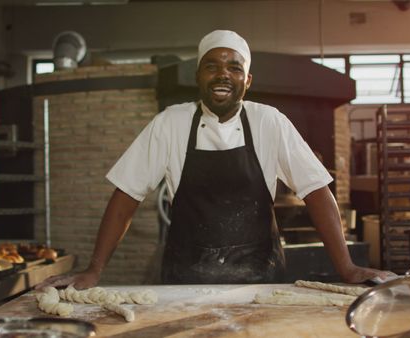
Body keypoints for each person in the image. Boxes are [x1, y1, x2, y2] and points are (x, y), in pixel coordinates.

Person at [39, 30, 387, 289]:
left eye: (234, 68)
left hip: (260, 281)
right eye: (212, 66)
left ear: (247, 80)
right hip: (185, 281)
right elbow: (126, 196)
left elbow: (316, 191)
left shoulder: (269, 121)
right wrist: (95, 269)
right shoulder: (170, 123)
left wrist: (347, 268)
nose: (223, 74)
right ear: (198, 76)